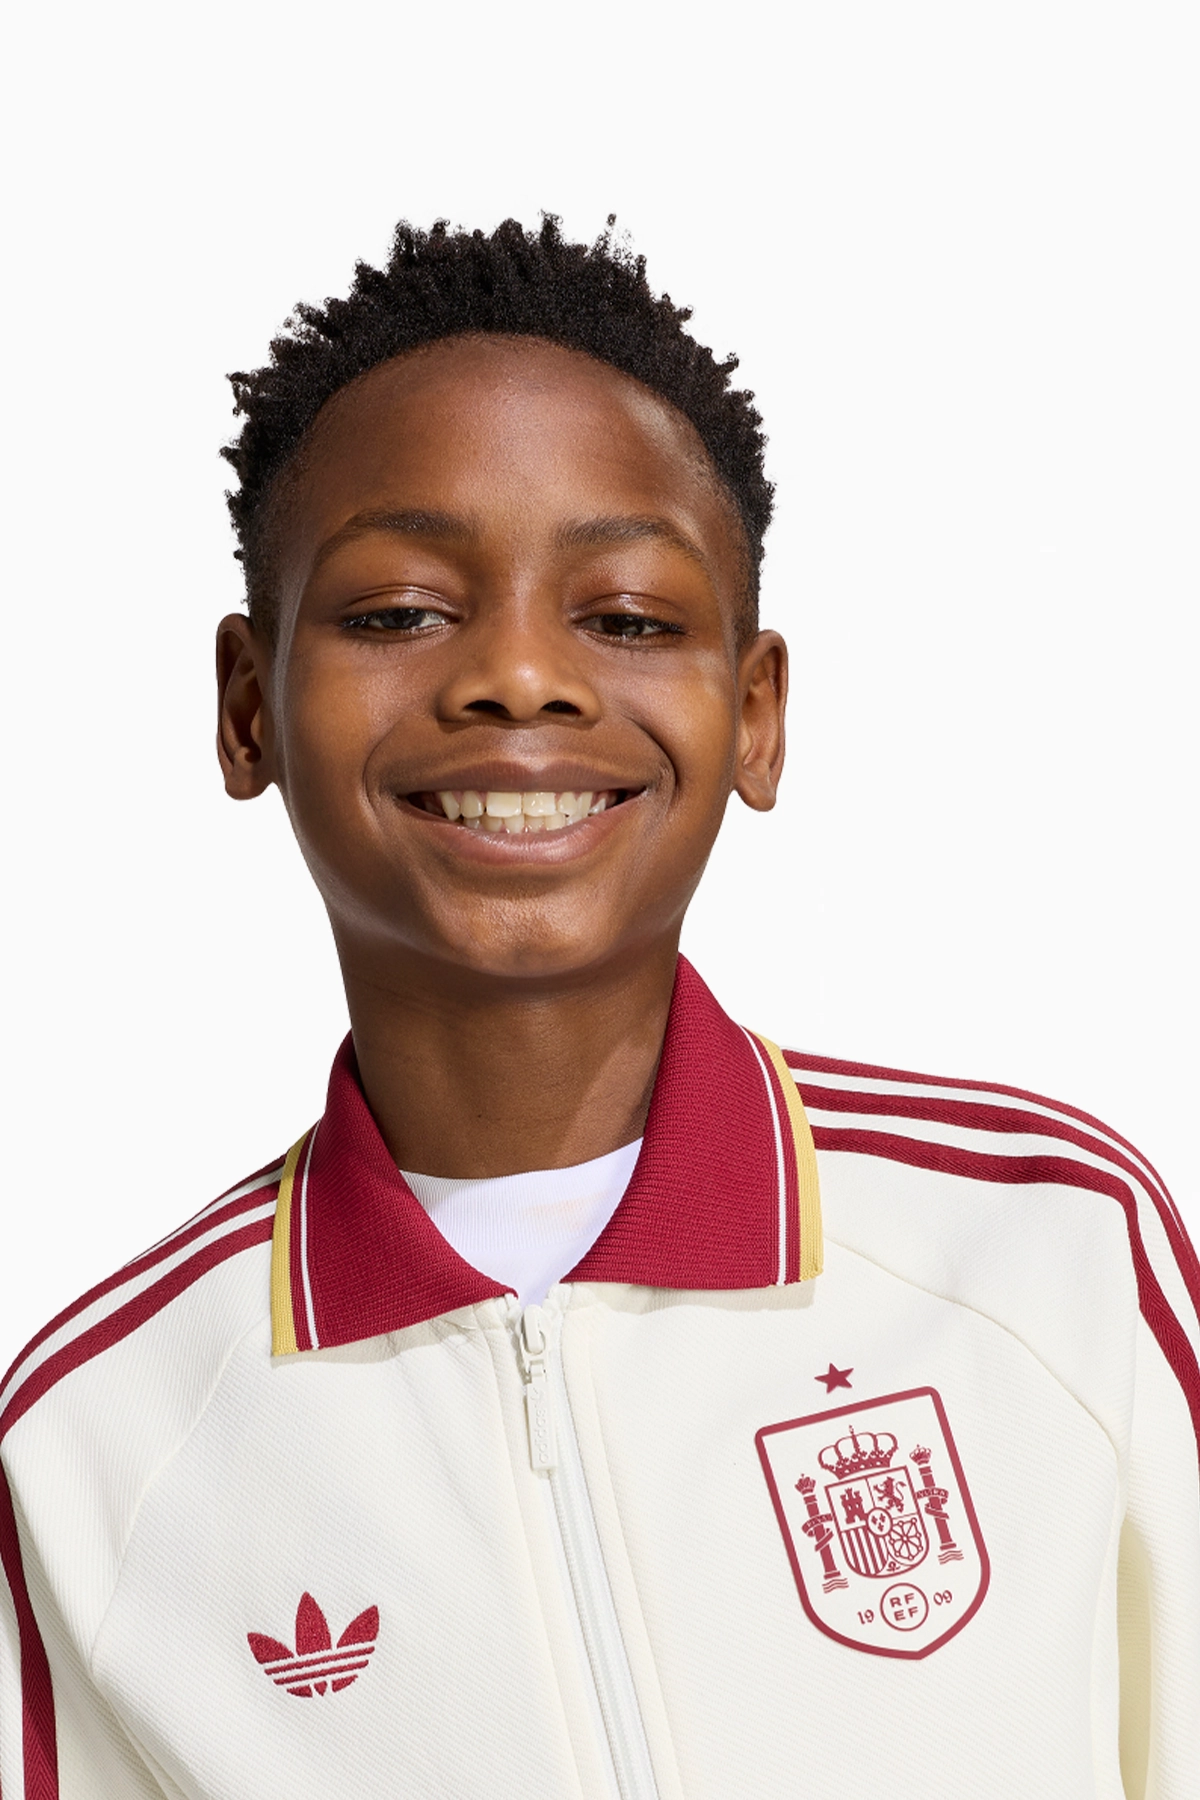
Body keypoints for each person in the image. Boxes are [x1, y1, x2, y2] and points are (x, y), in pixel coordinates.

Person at [1, 216, 1196, 1800]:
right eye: (397, 611)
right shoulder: (100, 1446)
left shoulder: (1053, 1255)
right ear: (246, 708)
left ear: (754, 714)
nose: (519, 677)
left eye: (626, 618)